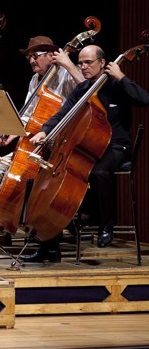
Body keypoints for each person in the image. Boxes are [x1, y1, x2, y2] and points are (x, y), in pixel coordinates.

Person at [26, 45, 149, 261]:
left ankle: (105, 225)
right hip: (88, 148)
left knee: (100, 172)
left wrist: (121, 77)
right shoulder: (82, 90)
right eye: (80, 63)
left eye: (87, 62)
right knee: (53, 172)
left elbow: (144, 99)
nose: (82, 67)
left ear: (102, 63)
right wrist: (45, 131)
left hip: (116, 147)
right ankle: (49, 245)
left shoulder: (115, 86)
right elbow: (62, 114)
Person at [0, 36, 84, 219]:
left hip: (62, 144)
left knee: (35, 176)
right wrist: (12, 132)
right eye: (29, 57)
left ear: (51, 55)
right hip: (36, 144)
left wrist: (69, 64)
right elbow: (27, 116)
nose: (32, 61)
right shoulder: (35, 80)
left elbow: (89, 89)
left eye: (36, 56)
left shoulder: (68, 74)